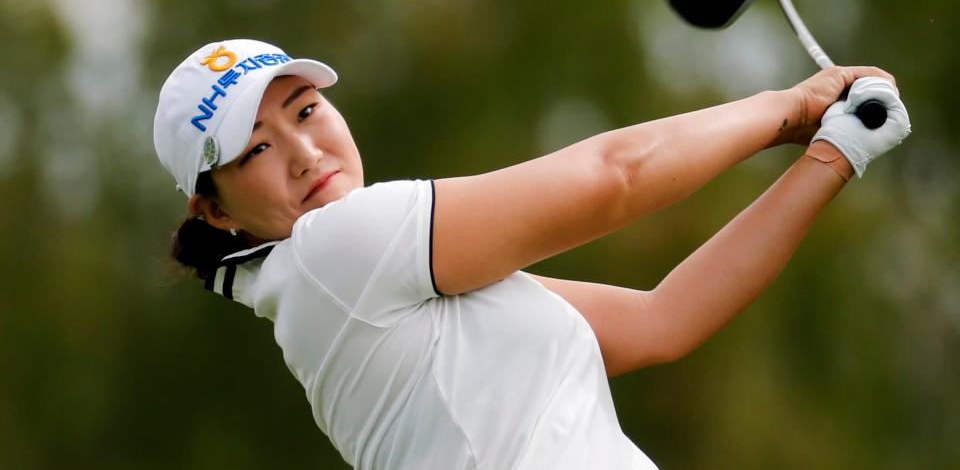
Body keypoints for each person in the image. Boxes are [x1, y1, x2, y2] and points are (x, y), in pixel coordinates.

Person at [153, 38, 910, 469]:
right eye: (255, 148)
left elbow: (662, 322)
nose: (302, 152)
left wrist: (831, 153)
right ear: (216, 210)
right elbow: (617, 176)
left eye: (306, 111)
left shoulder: (372, 283)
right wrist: (789, 106)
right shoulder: (334, 251)